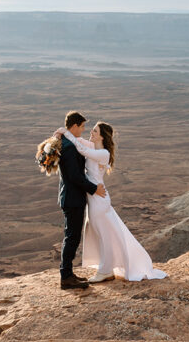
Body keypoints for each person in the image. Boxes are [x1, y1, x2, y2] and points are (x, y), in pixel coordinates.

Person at [59, 121, 166, 283]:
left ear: (102, 136)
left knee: (104, 235)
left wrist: (65, 133)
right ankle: (106, 269)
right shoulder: (94, 146)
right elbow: (79, 142)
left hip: (99, 200)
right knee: (102, 234)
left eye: (95, 131)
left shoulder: (103, 153)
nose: (91, 133)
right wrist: (60, 133)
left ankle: (105, 271)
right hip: (94, 198)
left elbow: (81, 148)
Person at [56, 111, 106, 290]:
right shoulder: (69, 147)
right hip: (72, 198)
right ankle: (66, 277)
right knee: (71, 237)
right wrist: (94, 189)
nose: (84, 130)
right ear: (75, 125)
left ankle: (68, 273)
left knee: (72, 236)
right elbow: (75, 176)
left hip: (72, 197)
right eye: (83, 126)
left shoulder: (69, 142)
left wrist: (62, 131)